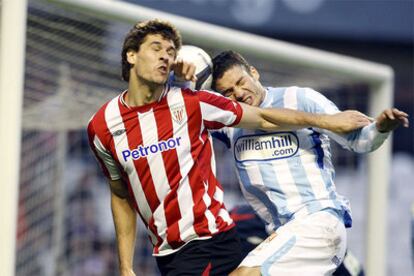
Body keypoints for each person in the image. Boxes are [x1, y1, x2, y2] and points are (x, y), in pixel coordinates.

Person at [86, 19, 371, 276]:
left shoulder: (191, 103)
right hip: (169, 254)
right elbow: (120, 193)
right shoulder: (102, 127)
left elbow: (263, 117)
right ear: (131, 55)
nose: (165, 54)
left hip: (213, 240)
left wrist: (328, 121)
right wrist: (125, 265)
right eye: (156, 47)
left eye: (171, 51)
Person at [209, 50, 409, 276]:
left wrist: (380, 129)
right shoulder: (230, 121)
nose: (239, 93)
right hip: (281, 232)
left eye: (240, 82)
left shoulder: (300, 99)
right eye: (228, 92)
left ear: (254, 73)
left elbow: (358, 141)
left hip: (316, 222)